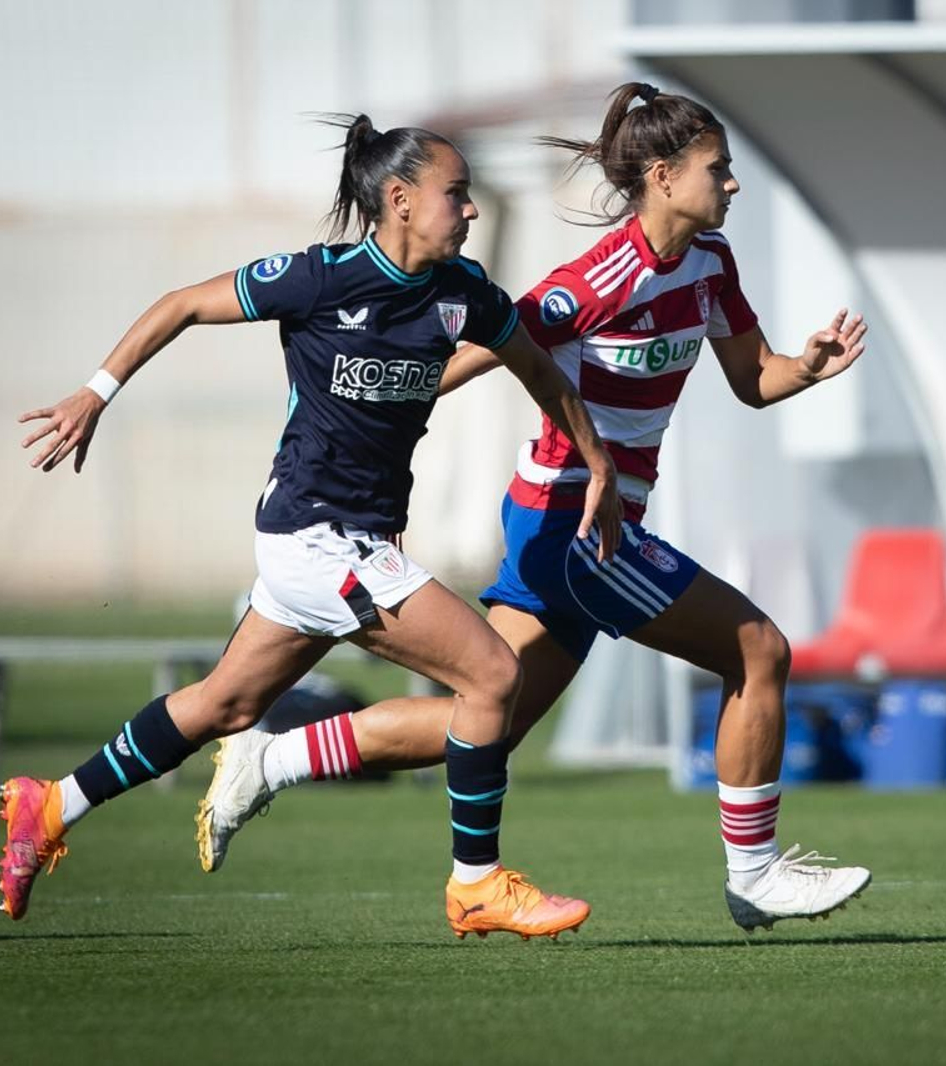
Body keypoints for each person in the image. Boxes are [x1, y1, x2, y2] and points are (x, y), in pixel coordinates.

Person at [197, 83, 873, 932]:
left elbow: (754, 380)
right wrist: (362, 427)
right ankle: (756, 873)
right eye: (719, 169)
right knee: (759, 650)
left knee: (488, 723)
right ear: (662, 176)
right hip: (571, 521)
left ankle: (273, 757)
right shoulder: (591, 281)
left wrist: (806, 367)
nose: (733, 185)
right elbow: (470, 351)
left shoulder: (712, 265)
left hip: (591, 518)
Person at [0, 115, 623, 943]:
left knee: (226, 703)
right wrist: (94, 393)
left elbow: (543, 374)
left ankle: (53, 804)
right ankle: (475, 885)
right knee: (494, 678)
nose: (470, 211)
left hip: (346, 544)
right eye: (457, 194)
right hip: (317, 537)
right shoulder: (321, 279)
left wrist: (600, 467)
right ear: (399, 200)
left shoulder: (463, 293)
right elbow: (183, 303)